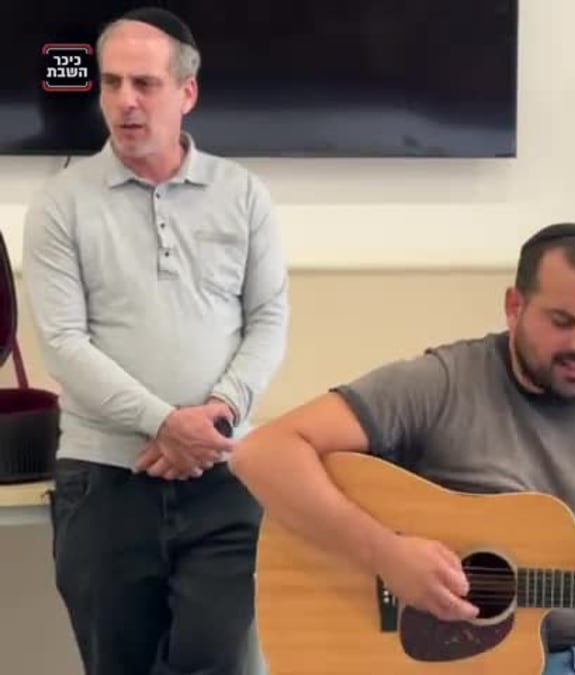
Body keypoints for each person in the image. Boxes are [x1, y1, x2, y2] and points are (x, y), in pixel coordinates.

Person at [228, 222, 575, 675]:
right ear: (515, 307)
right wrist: (387, 555)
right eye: (563, 322)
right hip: (472, 661)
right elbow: (262, 453)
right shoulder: (443, 382)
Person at [21, 7, 288, 675]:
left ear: (186, 92)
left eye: (144, 84)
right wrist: (166, 424)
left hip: (225, 477)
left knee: (219, 658)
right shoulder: (60, 203)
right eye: (111, 83)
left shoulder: (244, 195)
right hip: (105, 483)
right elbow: (64, 343)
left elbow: (268, 318)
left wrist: (214, 418)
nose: (125, 102)